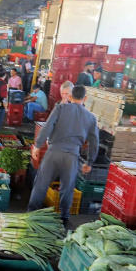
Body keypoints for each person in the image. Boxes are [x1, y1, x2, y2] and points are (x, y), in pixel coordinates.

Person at [27, 85, 99, 226]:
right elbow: (94, 142)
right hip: (71, 157)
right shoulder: (91, 117)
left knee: (41, 185)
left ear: (70, 96)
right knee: (67, 188)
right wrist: (89, 162)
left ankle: (30, 215)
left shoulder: (60, 108)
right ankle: (64, 219)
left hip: (53, 153)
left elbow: (47, 126)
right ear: (85, 98)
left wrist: (37, 145)